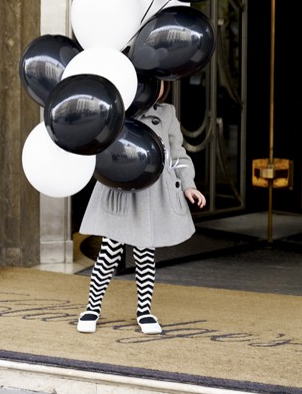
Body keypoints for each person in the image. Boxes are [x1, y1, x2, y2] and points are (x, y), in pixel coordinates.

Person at [77, 80, 206, 335]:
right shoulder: (119, 109)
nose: (154, 87)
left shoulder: (167, 113)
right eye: (147, 80)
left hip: (152, 192)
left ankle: (144, 311)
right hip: (121, 188)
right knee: (109, 252)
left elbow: (178, 154)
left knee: (145, 253)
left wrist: (189, 185)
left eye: (159, 82)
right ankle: (92, 307)